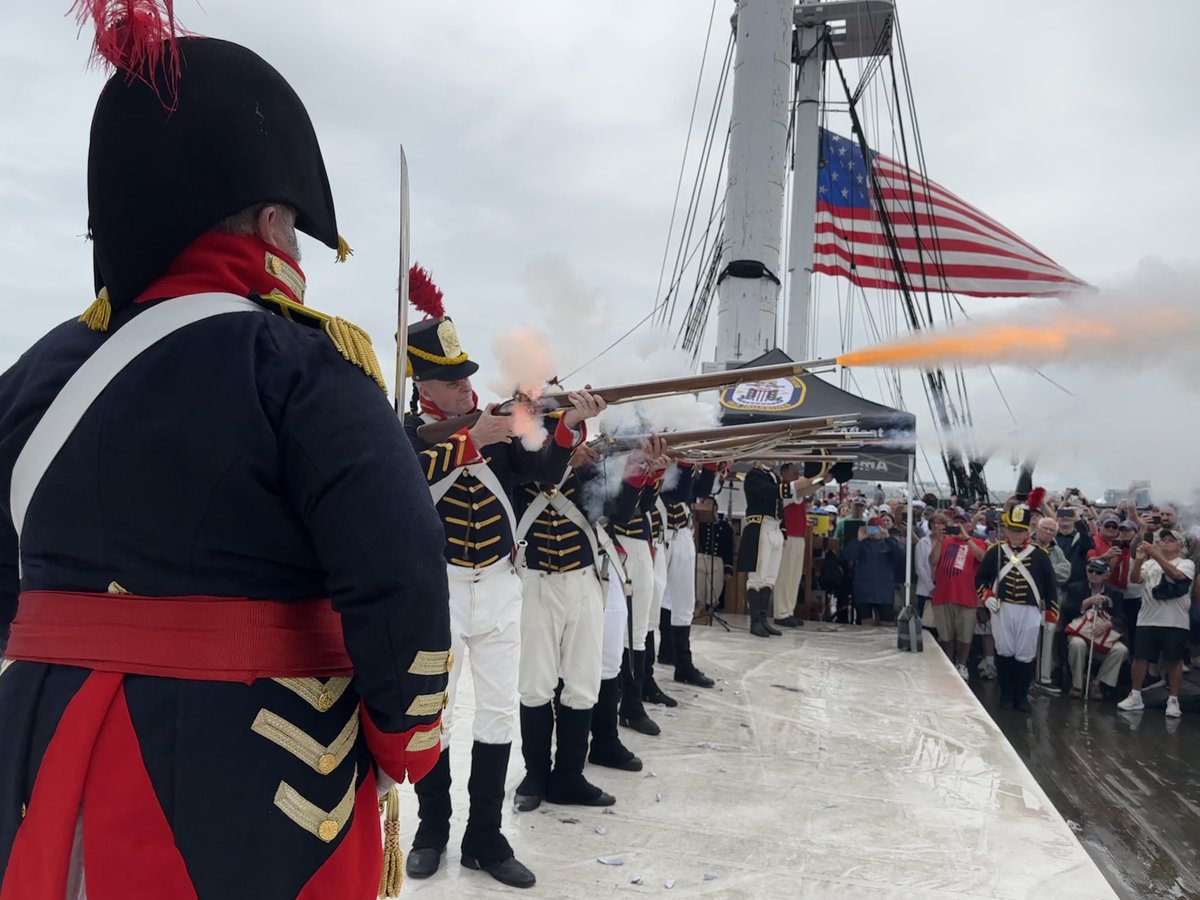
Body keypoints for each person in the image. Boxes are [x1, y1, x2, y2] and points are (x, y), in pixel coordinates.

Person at [0, 19, 451, 900]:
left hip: (35, 755)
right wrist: (407, 737)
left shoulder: (33, 377)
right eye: (290, 226)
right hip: (245, 783)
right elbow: (397, 567)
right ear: (271, 216)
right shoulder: (301, 365)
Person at [402, 272, 604, 888]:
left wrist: (569, 425)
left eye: (467, 375)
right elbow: (399, 473)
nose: (466, 386)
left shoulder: (496, 426)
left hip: (497, 584)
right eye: (450, 379)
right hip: (436, 590)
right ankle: (433, 826)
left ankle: (484, 837)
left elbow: (541, 466)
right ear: (421, 385)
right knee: (433, 715)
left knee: (495, 716)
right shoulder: (406, 433)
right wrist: (468, 441)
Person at [512, 438, 615, 814]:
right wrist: (564, 457)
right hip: (535, 580)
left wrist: (641, 470)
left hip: (583, 579)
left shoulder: (588, 462)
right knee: (535, 683)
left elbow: (615, 512)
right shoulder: (516, 454)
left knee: (583, 682)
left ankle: (569, 775)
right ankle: (535, 774)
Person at [976, 503, 1058, 713]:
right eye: (1011, 530)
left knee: (1025, 654)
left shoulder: (1039, 554)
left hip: (1029, 610)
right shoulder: (995, 552)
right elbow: (981, 579)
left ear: (1027, 531)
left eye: (1019, 530)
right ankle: (1006, 694)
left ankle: (1021, 696)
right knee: (1004, 652)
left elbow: (1049, 587)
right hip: (1002, 609)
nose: (1015, 534)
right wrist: (986, 597)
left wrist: (1050, 614)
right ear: (1004, 530)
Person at [1118, 529, 1196, 718]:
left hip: (1175, 620)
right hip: (1147, 617)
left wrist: (1156, 555)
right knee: (1140, 657)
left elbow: (1177, 575)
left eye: (1171, 540)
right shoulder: (1150, 563)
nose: (1166, 542)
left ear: (1181, 546)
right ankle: (1135, 695)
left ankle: (1174, 699)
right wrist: (1138, 560)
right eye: (1163, 540)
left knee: (1174, 660)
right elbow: (1135, 579)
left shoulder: (1186, 563)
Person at [656, 462, 718, 686]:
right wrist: (685, 461)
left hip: (681, 529)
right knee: (654, 602)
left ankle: (682, 662)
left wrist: (710, 467)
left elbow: (699, 491)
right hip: (657, 531)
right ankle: (641, 672)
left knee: (683, 601)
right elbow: (678, 492)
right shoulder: (658, 453)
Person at [930, 511, 986, 680]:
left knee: (965, 635)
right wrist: (939, 542)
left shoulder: (978, 542)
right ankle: (948, 662)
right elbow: (932, 561)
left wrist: (967, 539)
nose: (958, 526)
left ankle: (961, 664)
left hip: (966, 597)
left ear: (970, 526)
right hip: (943, 595)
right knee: (946, 634)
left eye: (962, 523)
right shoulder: (945, 542)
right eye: (955, 523)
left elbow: (982, 558)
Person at [1063, 559, 1128, 698]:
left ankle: (1098, 683)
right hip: (1079, 632)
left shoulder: (1114, 592)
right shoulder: (1075, 587)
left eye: (1098, 572)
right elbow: (1067, 612)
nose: (1093, 574)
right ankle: (1077, 685)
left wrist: (1109, 624)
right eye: (1090, 570)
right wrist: (1084, 604)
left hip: (1103, 635)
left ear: (1106, 575)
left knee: (1121, 650)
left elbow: (1122, 616)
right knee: (1076, 644)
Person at [774, 462, 818, 628]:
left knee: (794, 576)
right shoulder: (784, 490)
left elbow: (807, 489)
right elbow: (804, 486)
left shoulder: (795, 491)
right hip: (788, 537)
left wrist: (821, 481)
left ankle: (788, 610)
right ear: (784, 474)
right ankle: (781, 612)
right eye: (794, 471)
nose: (797, 474)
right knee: (785, 576)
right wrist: (819, 476)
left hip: (798, 537)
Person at [1033, 516, 1072, 695]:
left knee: (1047, 639)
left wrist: (1044, 568)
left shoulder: (1057, 551)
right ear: (1037, 528)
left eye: (1051, 530)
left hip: (1050, 602)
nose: (1047, 532)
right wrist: (1048, 569)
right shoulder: (1027, 545)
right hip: (1029, 600)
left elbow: (1065, 572)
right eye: (1045, 528)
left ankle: (1043, 678)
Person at [844, 518, 905, 625]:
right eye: (871, 529)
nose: (874, 531)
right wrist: (859, 539)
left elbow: (902, 556)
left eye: (877, 529)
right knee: (866, 623)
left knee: (887, 623)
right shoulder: (861, 544)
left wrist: (888, 538)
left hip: (884, 591)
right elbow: (847, 555)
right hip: (864, 590)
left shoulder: (889, 543)